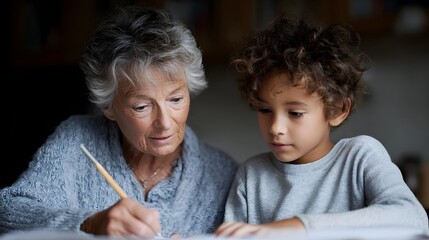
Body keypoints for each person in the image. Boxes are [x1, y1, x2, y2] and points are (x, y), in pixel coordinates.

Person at [0, 5, 238, 238]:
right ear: (108, 106)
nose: (165, 122)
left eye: (176, 99)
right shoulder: (77, 141)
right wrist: (89, 224)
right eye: (142, 107)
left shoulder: (223, 174)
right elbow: (7, 211)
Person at [214, 15, 429, 237]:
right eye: (264, 110)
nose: (275, 127)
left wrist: (296, 226)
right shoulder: (252, 176)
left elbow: (413, 219)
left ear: (337, 110)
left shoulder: (360, 157)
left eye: (295, 113)